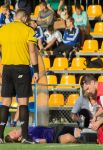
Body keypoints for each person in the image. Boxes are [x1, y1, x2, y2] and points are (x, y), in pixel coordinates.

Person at [0, 9, 39, 144]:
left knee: (5, 102)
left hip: (6, 68)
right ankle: (24, 137)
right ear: (24, 18)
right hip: (21, 68)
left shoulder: (3, 29)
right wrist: (37, 70)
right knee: (23, 103)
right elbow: (32, 52)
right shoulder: (28, 30)